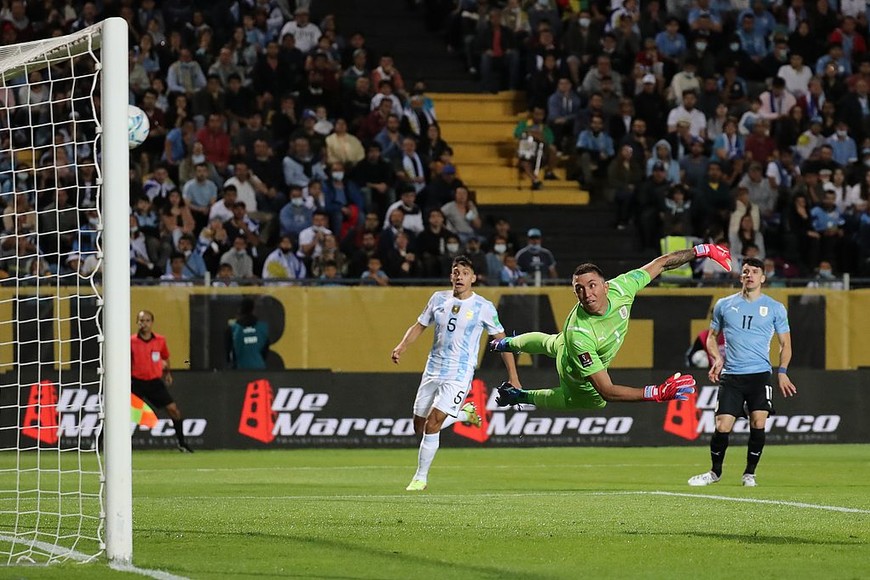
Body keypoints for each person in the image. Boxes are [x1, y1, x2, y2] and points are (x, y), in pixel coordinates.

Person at [489, 243, 734, 410]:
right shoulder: (580, 335)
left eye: (592, 285)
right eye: (579, 289)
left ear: (606, 286)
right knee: (588, 400)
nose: (586, 293)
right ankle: (520, 395)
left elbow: (663, 263)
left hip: (566, 341)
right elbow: (607, 390)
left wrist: (702, 250)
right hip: (573, 360)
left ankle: (506, 343)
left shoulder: (622, 287)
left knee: (552, 342)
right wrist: (656, 392)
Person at [391, 255, 520, 492]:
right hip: (432, 369)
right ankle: (463, 415)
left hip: (459, 373)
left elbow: (503, 342)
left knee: (433, 424)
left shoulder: (483, 307)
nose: (458, 276)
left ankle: (420, 478)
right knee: (418, 426)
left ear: (473, 278)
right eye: (455, 271)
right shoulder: (438, 298)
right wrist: (402, 346)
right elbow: (420, 325)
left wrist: (513, 376)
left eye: (464, 272)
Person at [688, 257, 797, 487]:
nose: (749, 275)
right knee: (722, 426)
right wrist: (717, 358)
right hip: (732, 375)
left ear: (763, 278)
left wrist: (783, 371)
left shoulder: (775, 308)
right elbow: (710, 338)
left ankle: (749, 473)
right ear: (740, 277)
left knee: (758, 422)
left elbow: (785, 344)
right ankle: (715, 472)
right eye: (745, 271)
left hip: (759, 375)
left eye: (754, 271)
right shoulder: (724, 305)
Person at [131, 310, 192, 453]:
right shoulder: (131, 341)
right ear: (137, 322)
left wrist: (168, 373)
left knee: (173, 410)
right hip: (136, 383)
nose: (144, 324)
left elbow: (165, 357)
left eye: (147, 320)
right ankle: (100, 443)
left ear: (152, 323)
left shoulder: (160, 340)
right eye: (141, 320)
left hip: (154, 383)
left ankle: (182, 443)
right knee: (119, 413)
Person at [226, 298, 270, 370]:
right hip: (259, 369)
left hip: (239, 370)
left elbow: (228, 353)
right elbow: (265, 351)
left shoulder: (232, 329)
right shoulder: (263, 328)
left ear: (239, 310)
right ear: (253, 310)